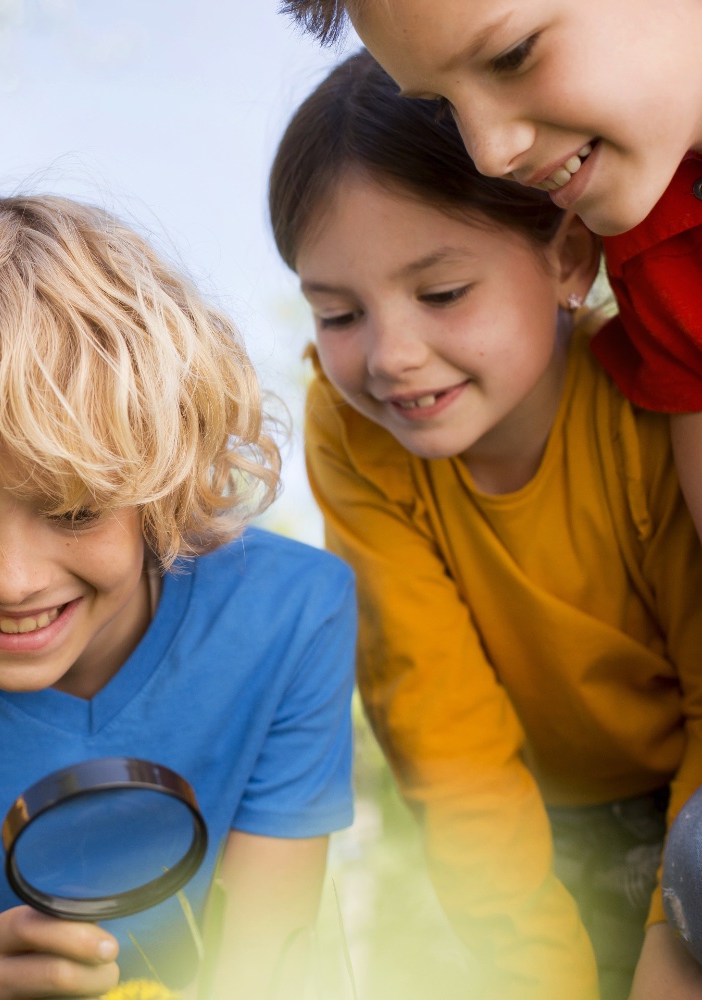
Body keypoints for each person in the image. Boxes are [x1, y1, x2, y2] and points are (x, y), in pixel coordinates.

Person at [0, 191, 356, 1000]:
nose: (10, 579)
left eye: (76, 512)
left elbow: (265, 974)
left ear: (163, 489)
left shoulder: (291, 619)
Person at [273, 51, 702, 1000]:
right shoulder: (353, 433)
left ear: (567, 260)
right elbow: (442, 733)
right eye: (338, 312)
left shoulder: (653, 398)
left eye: (441, 294)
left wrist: (675, 940)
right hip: (535, 833)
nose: (391, 357)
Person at [278, 0, 702, 686]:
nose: (489, 153)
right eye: (444, 109)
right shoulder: (654, 250)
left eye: (513, 55)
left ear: (568, 262)